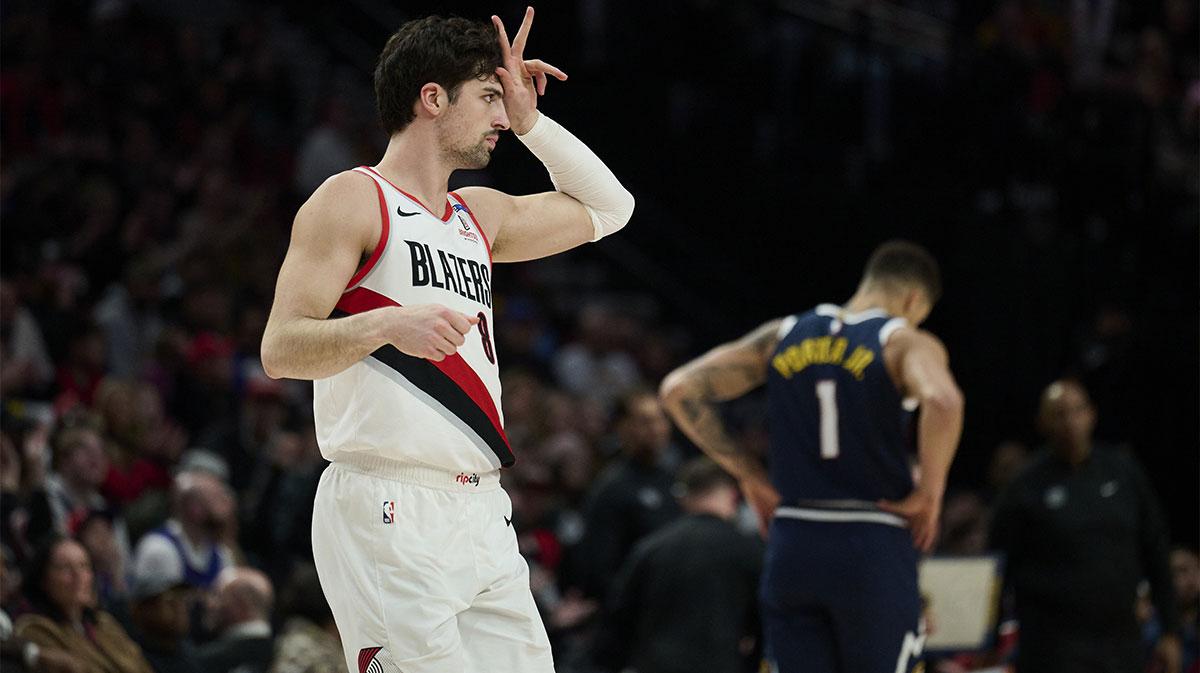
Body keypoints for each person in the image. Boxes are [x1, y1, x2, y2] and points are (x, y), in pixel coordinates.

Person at [259, 7, 635, 673]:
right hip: (385, 500)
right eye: (490, 97)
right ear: (432, 98)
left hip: (480, 506)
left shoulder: (478, 215)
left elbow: (612, 209)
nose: (500, 116)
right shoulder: (352, 198)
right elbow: (281, 348)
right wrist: (384, 324)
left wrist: (533, 122)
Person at [660, 240, 964, 673]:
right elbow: (944, 400)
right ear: (914, 300)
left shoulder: (783, 334)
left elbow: (678, 390)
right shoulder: (901, 341)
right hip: (871, 541)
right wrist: (930, 493)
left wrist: (749, 476)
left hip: (794, 542)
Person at [989, 379, 1181, 673]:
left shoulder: (1123, 473)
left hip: (1120, 640)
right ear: (1042, 423)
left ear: (1092, 414)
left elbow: (1156, 550)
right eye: (1059, 414)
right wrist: (990, 636)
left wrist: (1170, 630)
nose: (1070, 422)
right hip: (1051, 645)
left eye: (1077, 411)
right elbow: (997, 566)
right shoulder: (1024, 486)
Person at [594, 457, 763, 673]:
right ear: (733, 495)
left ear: (683, 497)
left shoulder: (651, 549)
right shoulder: (750, 551)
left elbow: (617, 622)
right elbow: (768, 622)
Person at [569, 390, 681, 600]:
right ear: (622, 427)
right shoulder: (610, 488)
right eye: (645, 421)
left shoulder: (674, 478)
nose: (656, 429)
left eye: (661, 419)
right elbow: (598, 571)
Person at [15, 535, 154, 673]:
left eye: (84, 566)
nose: (78, 575)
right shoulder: (35, 630)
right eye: (65, 568)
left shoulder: (104, 623)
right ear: (43, 580)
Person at [131, 469, 236, 593]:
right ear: (194, 508)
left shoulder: (220, 555)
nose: (226, 509)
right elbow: (161, 607)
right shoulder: (160, 549)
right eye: (215, 499)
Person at [197, 566, 275, 673]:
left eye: (216, 595)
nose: (208, 604)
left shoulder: (207, 662)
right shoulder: (283, 653)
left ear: (242, 604)